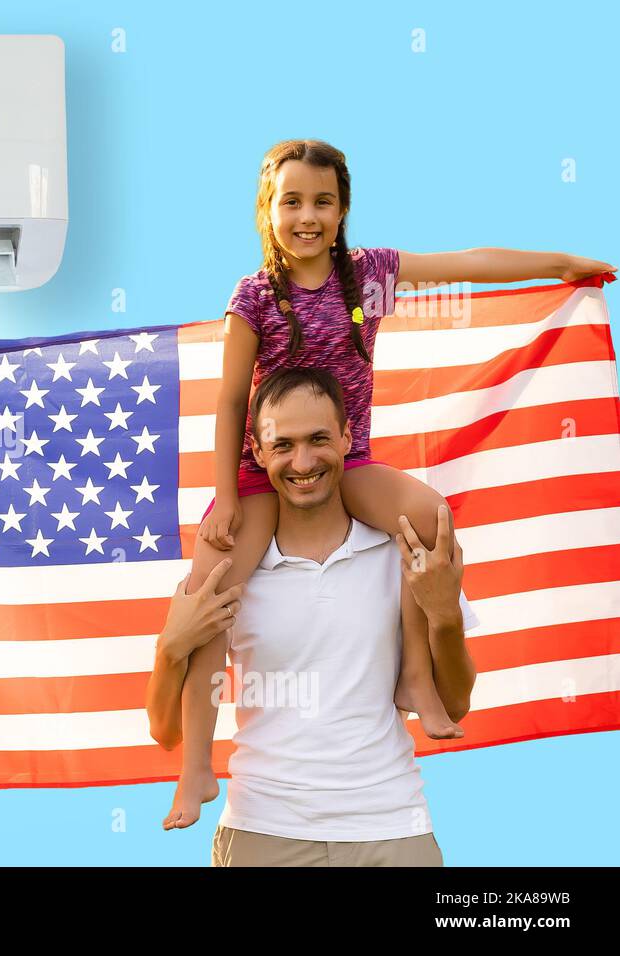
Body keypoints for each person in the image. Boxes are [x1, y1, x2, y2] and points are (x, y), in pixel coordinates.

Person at [161, 137, 616, 829]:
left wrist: (561, 264)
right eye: (292, 201)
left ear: (343, 211)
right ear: (268, 208)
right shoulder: (253, 296)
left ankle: (412, 675)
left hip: (350, 463)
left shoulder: (366, 276)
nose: (307, 215)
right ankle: (196, 767)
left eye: (323, 201)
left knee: (428, 517)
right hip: (264, 474)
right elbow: (228, 401)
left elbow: (467, 263)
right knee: (208, 597)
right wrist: (226, 493)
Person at [148, 367, 479, 865]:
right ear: (258, 454)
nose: (303, 461)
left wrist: (444, 615)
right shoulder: (232, 568)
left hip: (392, 826)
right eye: (282, 445)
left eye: (319, 439)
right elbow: (166, 730)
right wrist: (170, 646)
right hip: (262, 830)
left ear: (348, 437)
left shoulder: (401, 547)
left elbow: (454, 705)